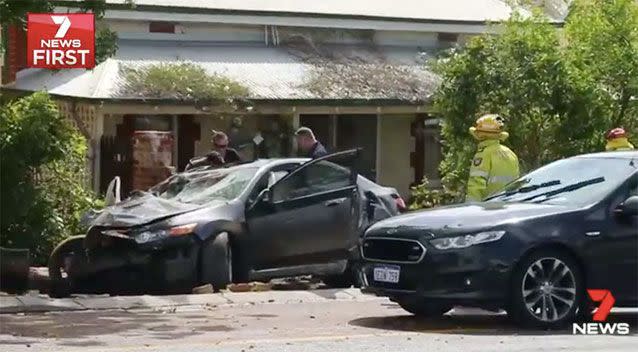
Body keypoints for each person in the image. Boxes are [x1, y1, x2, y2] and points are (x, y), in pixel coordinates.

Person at [466, 114, 520, 202]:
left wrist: (471, 209)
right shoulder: (510, 153)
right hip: (509, 205)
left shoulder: (483, 154)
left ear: (480, 135)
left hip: (489, 208)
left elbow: (476, 184)